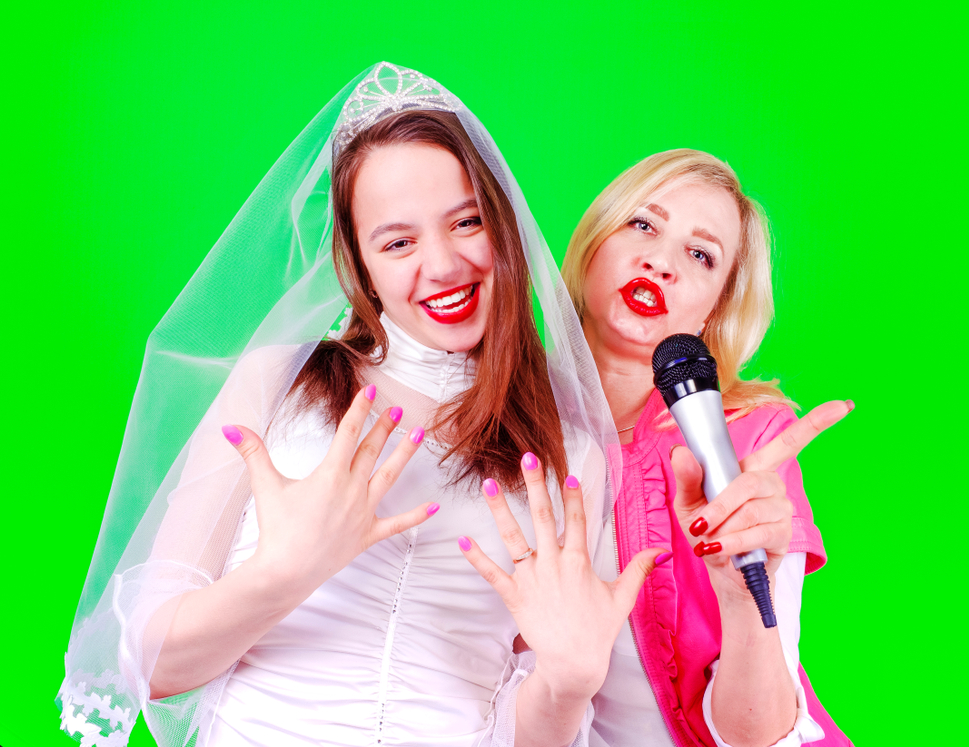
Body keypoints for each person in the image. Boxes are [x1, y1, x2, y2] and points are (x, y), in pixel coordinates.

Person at [57, 62, 626, 747]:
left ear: (505, 229)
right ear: (358, 265)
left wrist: (567, 682)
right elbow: (152, 663)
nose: (443, 265)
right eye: (398, 241)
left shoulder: (571, 455)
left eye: (467, 221)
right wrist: (285, 571)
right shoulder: (275, 384)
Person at [462, 150, 852, 746]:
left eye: (700, 255)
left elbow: (761, 735)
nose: (661, 262)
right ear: (592, 242)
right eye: (642, 224)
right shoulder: (490, 412)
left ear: (714, 309)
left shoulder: (746, 445)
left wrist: (742, 591)